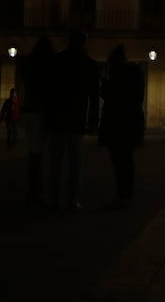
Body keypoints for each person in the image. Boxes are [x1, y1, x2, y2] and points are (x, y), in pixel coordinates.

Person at [47, 30, 100, 211]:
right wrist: (93, 121)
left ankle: (54, 198)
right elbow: (94, 97)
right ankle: (73, 200)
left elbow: (50, 92)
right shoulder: (89, 65)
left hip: (57, 118)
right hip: (77, 119)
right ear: (84, 42)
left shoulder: (57, 61)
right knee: (75, 162)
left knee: (56, 162)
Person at [98, 46, 144, 210]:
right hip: (130, 125)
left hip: (117, 126)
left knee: (120, 162)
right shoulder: (136, 73)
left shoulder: (117, 77)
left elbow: (107, 95)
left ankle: (123, 196)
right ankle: (126, 196)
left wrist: (105, 81)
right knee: (126, 161)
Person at [20, 37, 55, 206]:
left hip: (28, 112)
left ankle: (33, 190)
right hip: (40, 113)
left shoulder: (28, 66)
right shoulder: (48, 68)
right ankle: (37, 191)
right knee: (40, 154)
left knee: (33, 153)